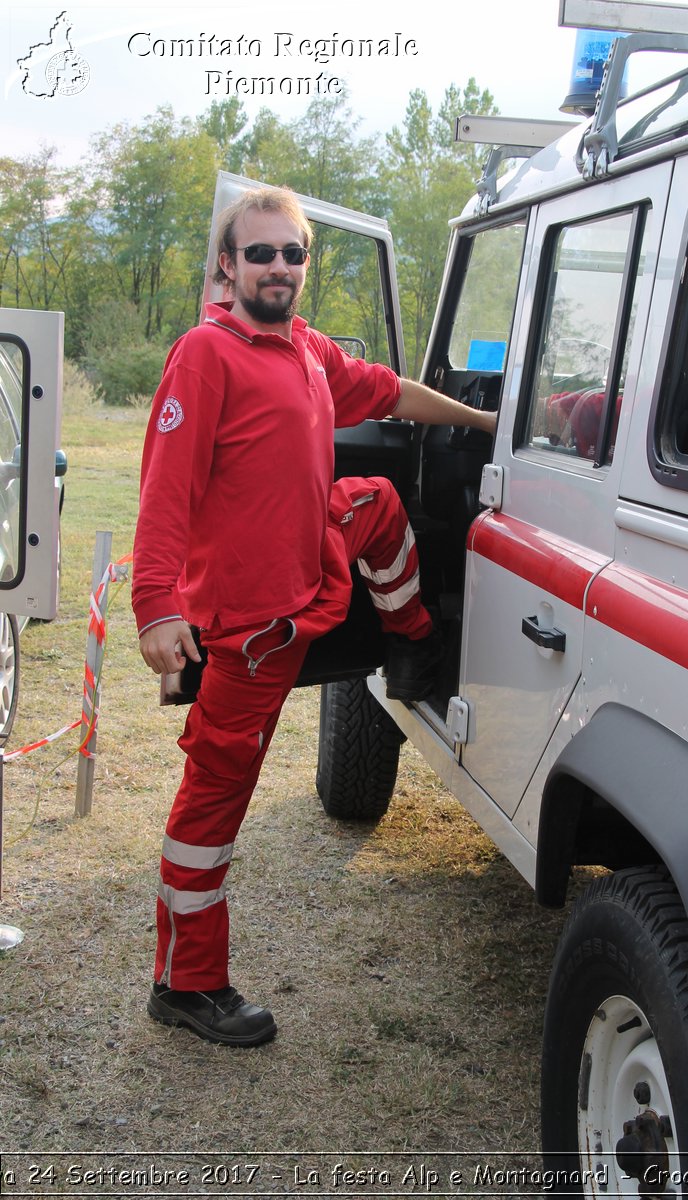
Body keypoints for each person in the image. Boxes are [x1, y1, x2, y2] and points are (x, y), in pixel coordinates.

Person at [132, 186, 496, 1047]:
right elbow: (165, 493)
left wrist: (486, 420)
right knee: (213, 805)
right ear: (227, 266)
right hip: (254, 629)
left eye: (292, 253)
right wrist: (156, 608)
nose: (279, 268)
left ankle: (412, 648)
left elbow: (394, 395)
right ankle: (188, 984)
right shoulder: (204, 354)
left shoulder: (307, 349)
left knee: (369, 496)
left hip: (314, 575)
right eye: (260, 254)